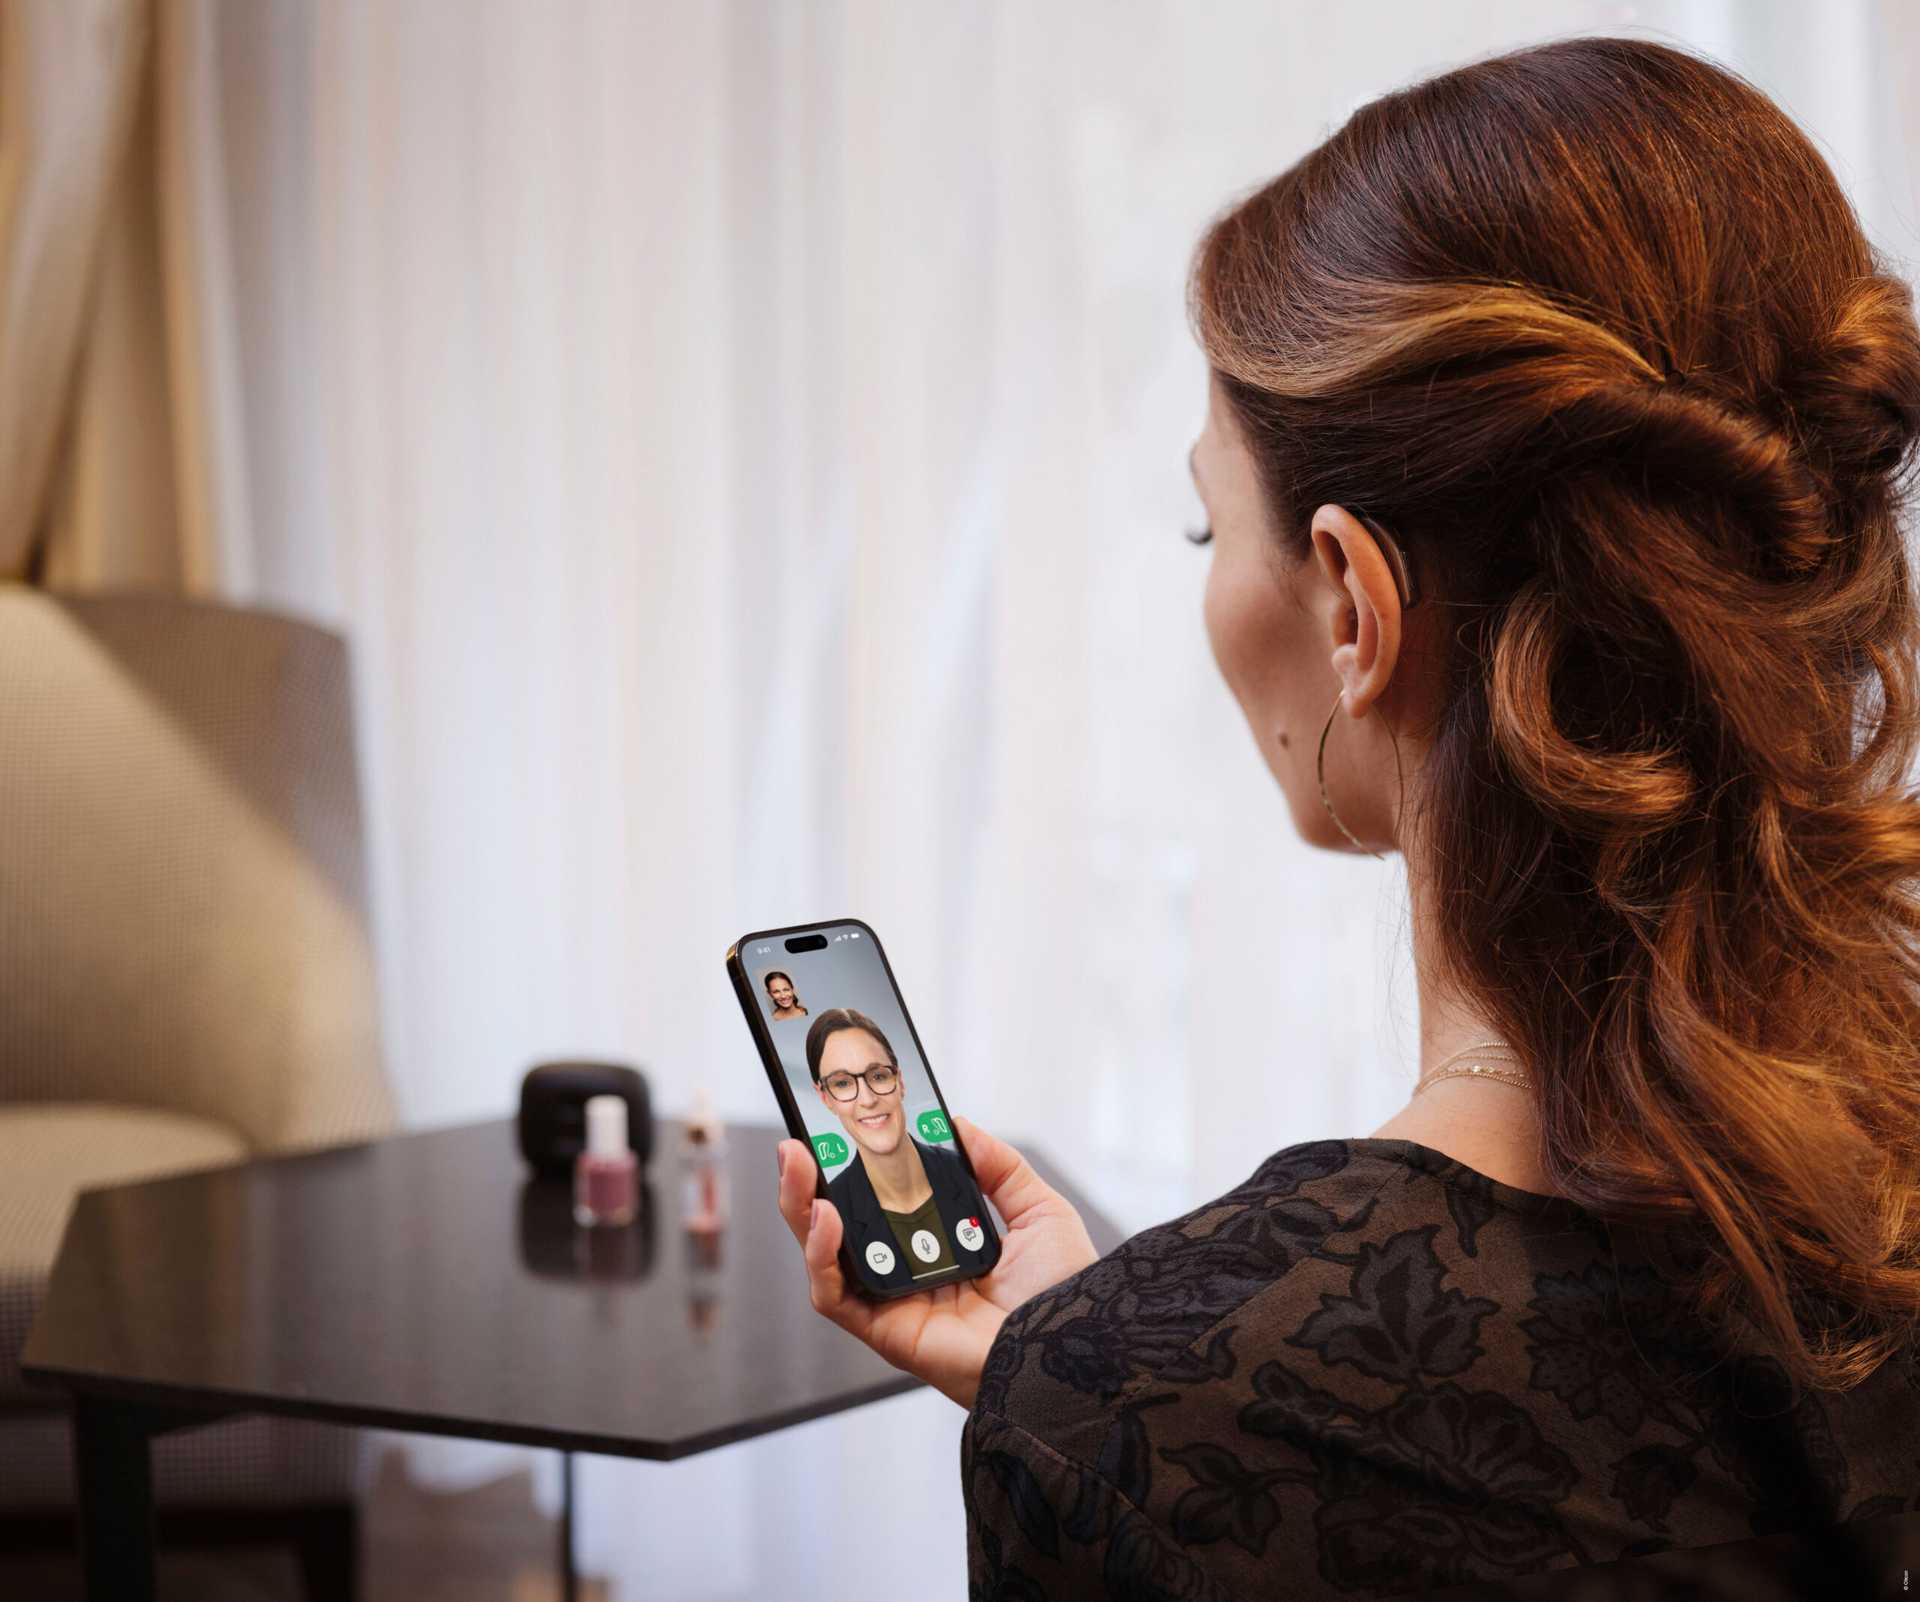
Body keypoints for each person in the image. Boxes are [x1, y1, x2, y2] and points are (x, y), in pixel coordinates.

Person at [774, 35, 1920, 1599]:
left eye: (1207, 520)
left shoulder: (1153, 1414)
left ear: (1357, 606)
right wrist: (1111, 1388)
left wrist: (1118, 1417)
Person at [804, 1007, 996, 1291]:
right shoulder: (835, 1212)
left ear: (900, 1082)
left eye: (878, 1076)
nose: (867, 1099)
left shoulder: (961, 1171)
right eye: (842, 1084)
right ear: (825, 1098)